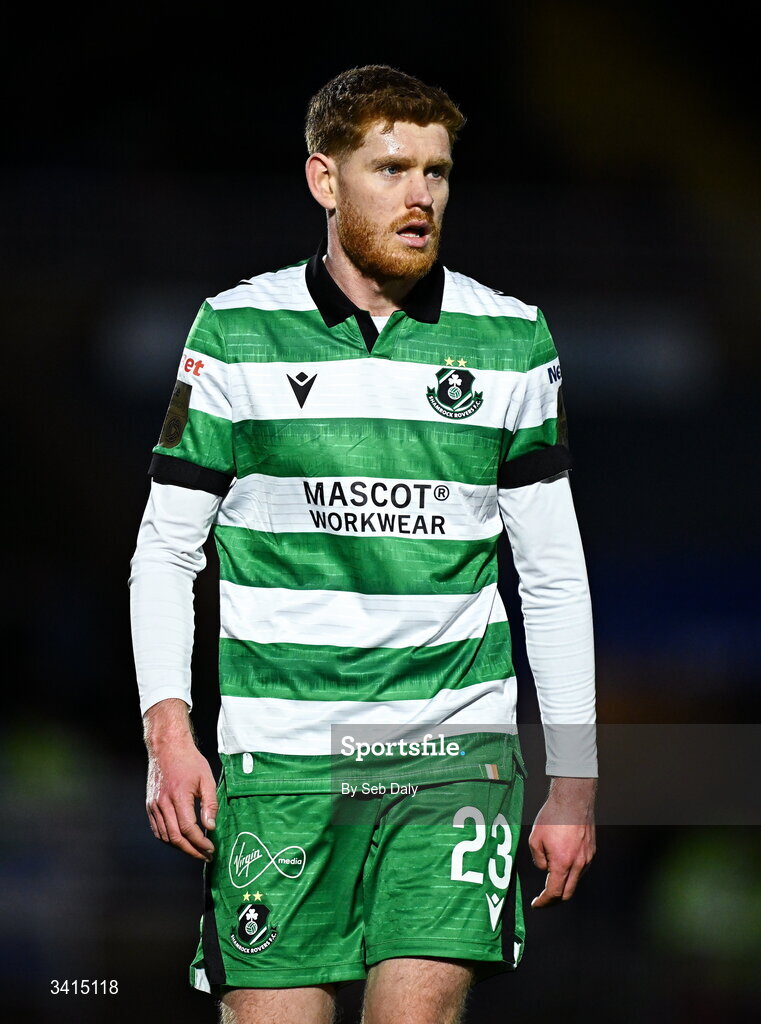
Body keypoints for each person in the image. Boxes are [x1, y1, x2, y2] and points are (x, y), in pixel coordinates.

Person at [129, 64, 597, 1024]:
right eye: (391, 168)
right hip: (283, 761)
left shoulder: (510, 340)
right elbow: (165, 553)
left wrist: (575, 782)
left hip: (452, 757)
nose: (420, 194)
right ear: (324, 179)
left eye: (436, 171)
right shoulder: (235, 330)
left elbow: (552, 576)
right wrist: (167, 734)